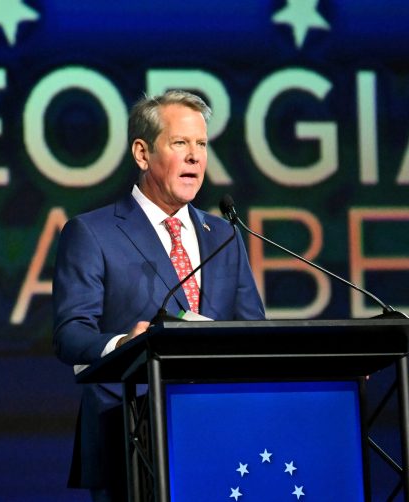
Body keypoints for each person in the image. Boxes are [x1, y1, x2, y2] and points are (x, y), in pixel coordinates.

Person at [52, 90, 265, 500]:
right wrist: (123, 345)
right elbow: (70, 334)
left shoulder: (223, 235)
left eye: (201, 144)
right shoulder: (92, 233)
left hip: (220, 435)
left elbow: (253, 332)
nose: (195, 157)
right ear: (142, 153)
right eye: (180, 143)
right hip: (130, 434)